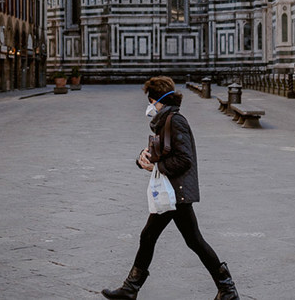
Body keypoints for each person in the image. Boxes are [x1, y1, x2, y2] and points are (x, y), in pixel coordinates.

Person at [102, 76, 239, 300]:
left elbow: (185, 159)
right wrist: (142, 159)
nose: (150, 106)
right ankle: (226, 288)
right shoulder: (165, 120)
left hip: (176, 192)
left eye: (151, 101)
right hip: (172, 191)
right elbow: (162, 151)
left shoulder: (175, 121)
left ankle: (227, 288)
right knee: (172, 238)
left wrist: (157, 166)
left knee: (179, 239)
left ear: (159, 101)